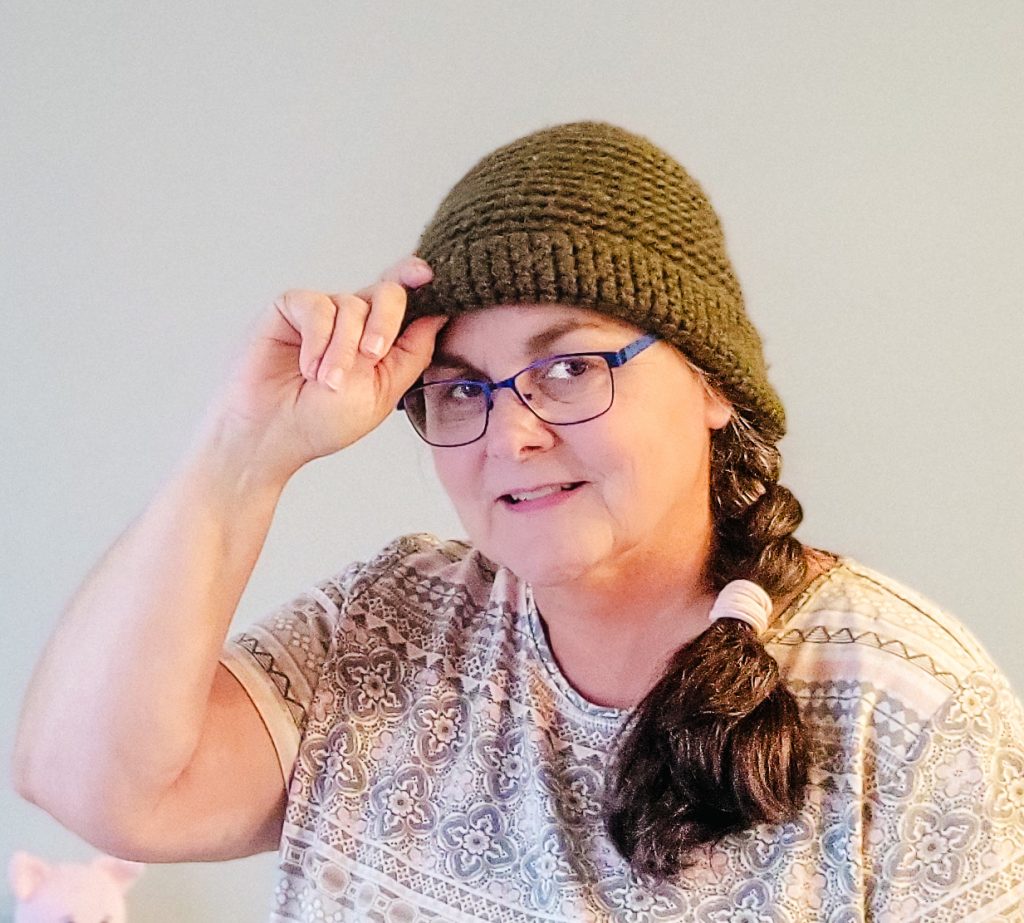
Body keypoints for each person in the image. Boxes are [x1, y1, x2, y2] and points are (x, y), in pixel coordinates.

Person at [14, 122, 1024, 922]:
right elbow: (87, 781)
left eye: (570, 366)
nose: (513, 432)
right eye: (460, 388)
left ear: (713, 385)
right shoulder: (390, 623)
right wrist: (242, 447)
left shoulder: (910, 712)